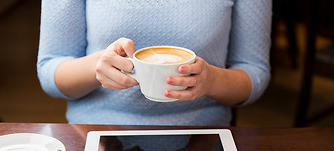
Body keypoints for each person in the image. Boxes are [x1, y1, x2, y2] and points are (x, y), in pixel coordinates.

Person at [37, 0, 272, 127]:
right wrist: (95, 66)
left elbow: (255, 72)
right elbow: (49, 71)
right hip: (96, 137)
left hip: (203, 137)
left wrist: (212, 80)